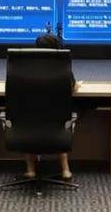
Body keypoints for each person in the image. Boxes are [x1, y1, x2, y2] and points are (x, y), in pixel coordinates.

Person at [22, 32, 81, 181]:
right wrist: (77, 85)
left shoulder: (25, 66)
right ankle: (65, 169)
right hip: (56, 122)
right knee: (58, 124)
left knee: (28, 120)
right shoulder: (63, 67)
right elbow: (72, 88)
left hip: (29, 123)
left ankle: (30, 169)